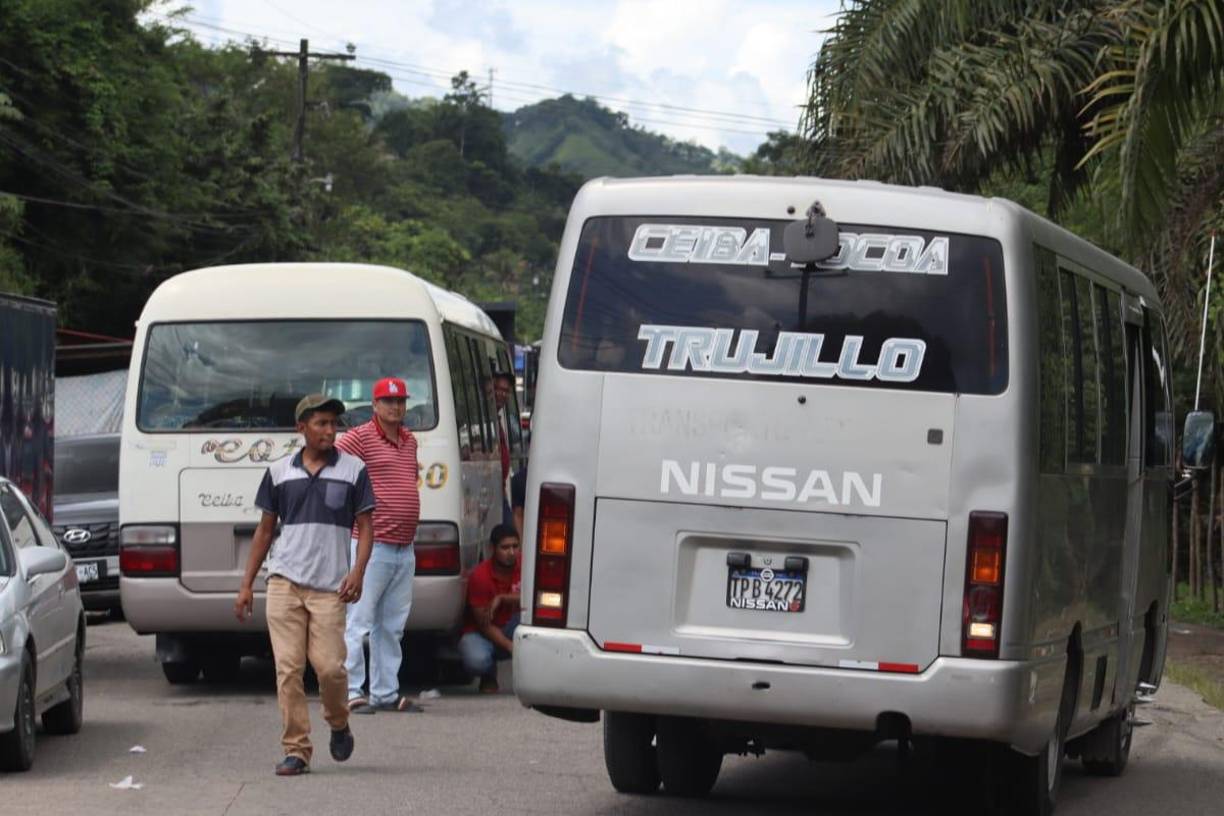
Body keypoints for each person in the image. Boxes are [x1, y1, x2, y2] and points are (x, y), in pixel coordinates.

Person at [235, 394, 375, 777]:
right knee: (288, 668)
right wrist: (247, 584)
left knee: (330, 668)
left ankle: (338, 721)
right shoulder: (280, 472)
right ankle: (296, 750)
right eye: (321, 423)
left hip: (331, 588)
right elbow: (265, 531)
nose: (330, 430)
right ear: (302, 429)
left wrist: (358, 572)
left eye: (334, 423)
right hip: (284, 583)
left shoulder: (353, 470)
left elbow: (365, 528)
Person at [337, 376, 423, 713]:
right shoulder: (359, 438)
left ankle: (386, 693)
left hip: (404, 545)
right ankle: (352, 692)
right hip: (372, 545)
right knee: (358, 622)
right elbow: (334, 463)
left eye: (401, 401)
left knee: (391, 626)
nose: (396, 407)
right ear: (374, 405)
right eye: (388, 401)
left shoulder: (409, 440)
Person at [459, 523, 521, 693]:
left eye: (515, 546)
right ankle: (488, 674)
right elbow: (484, 624)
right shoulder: (480, 576)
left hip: (513, 624)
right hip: (484, 632)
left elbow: (539, 600)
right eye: (505, 547)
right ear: (492, 548)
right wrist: (510, 646)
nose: (511, 552)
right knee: (476, 660)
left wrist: (502, 598)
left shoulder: (526, 565)